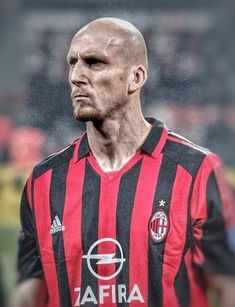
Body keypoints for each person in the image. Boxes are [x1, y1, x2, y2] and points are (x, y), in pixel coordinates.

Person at [10, 17, 235, 307]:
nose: (76, 76)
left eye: (94, 63)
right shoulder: (43, 182)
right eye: (72, 62)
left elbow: (228, 287)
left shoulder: (198, 172)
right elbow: (29, 294)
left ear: (136, 78)